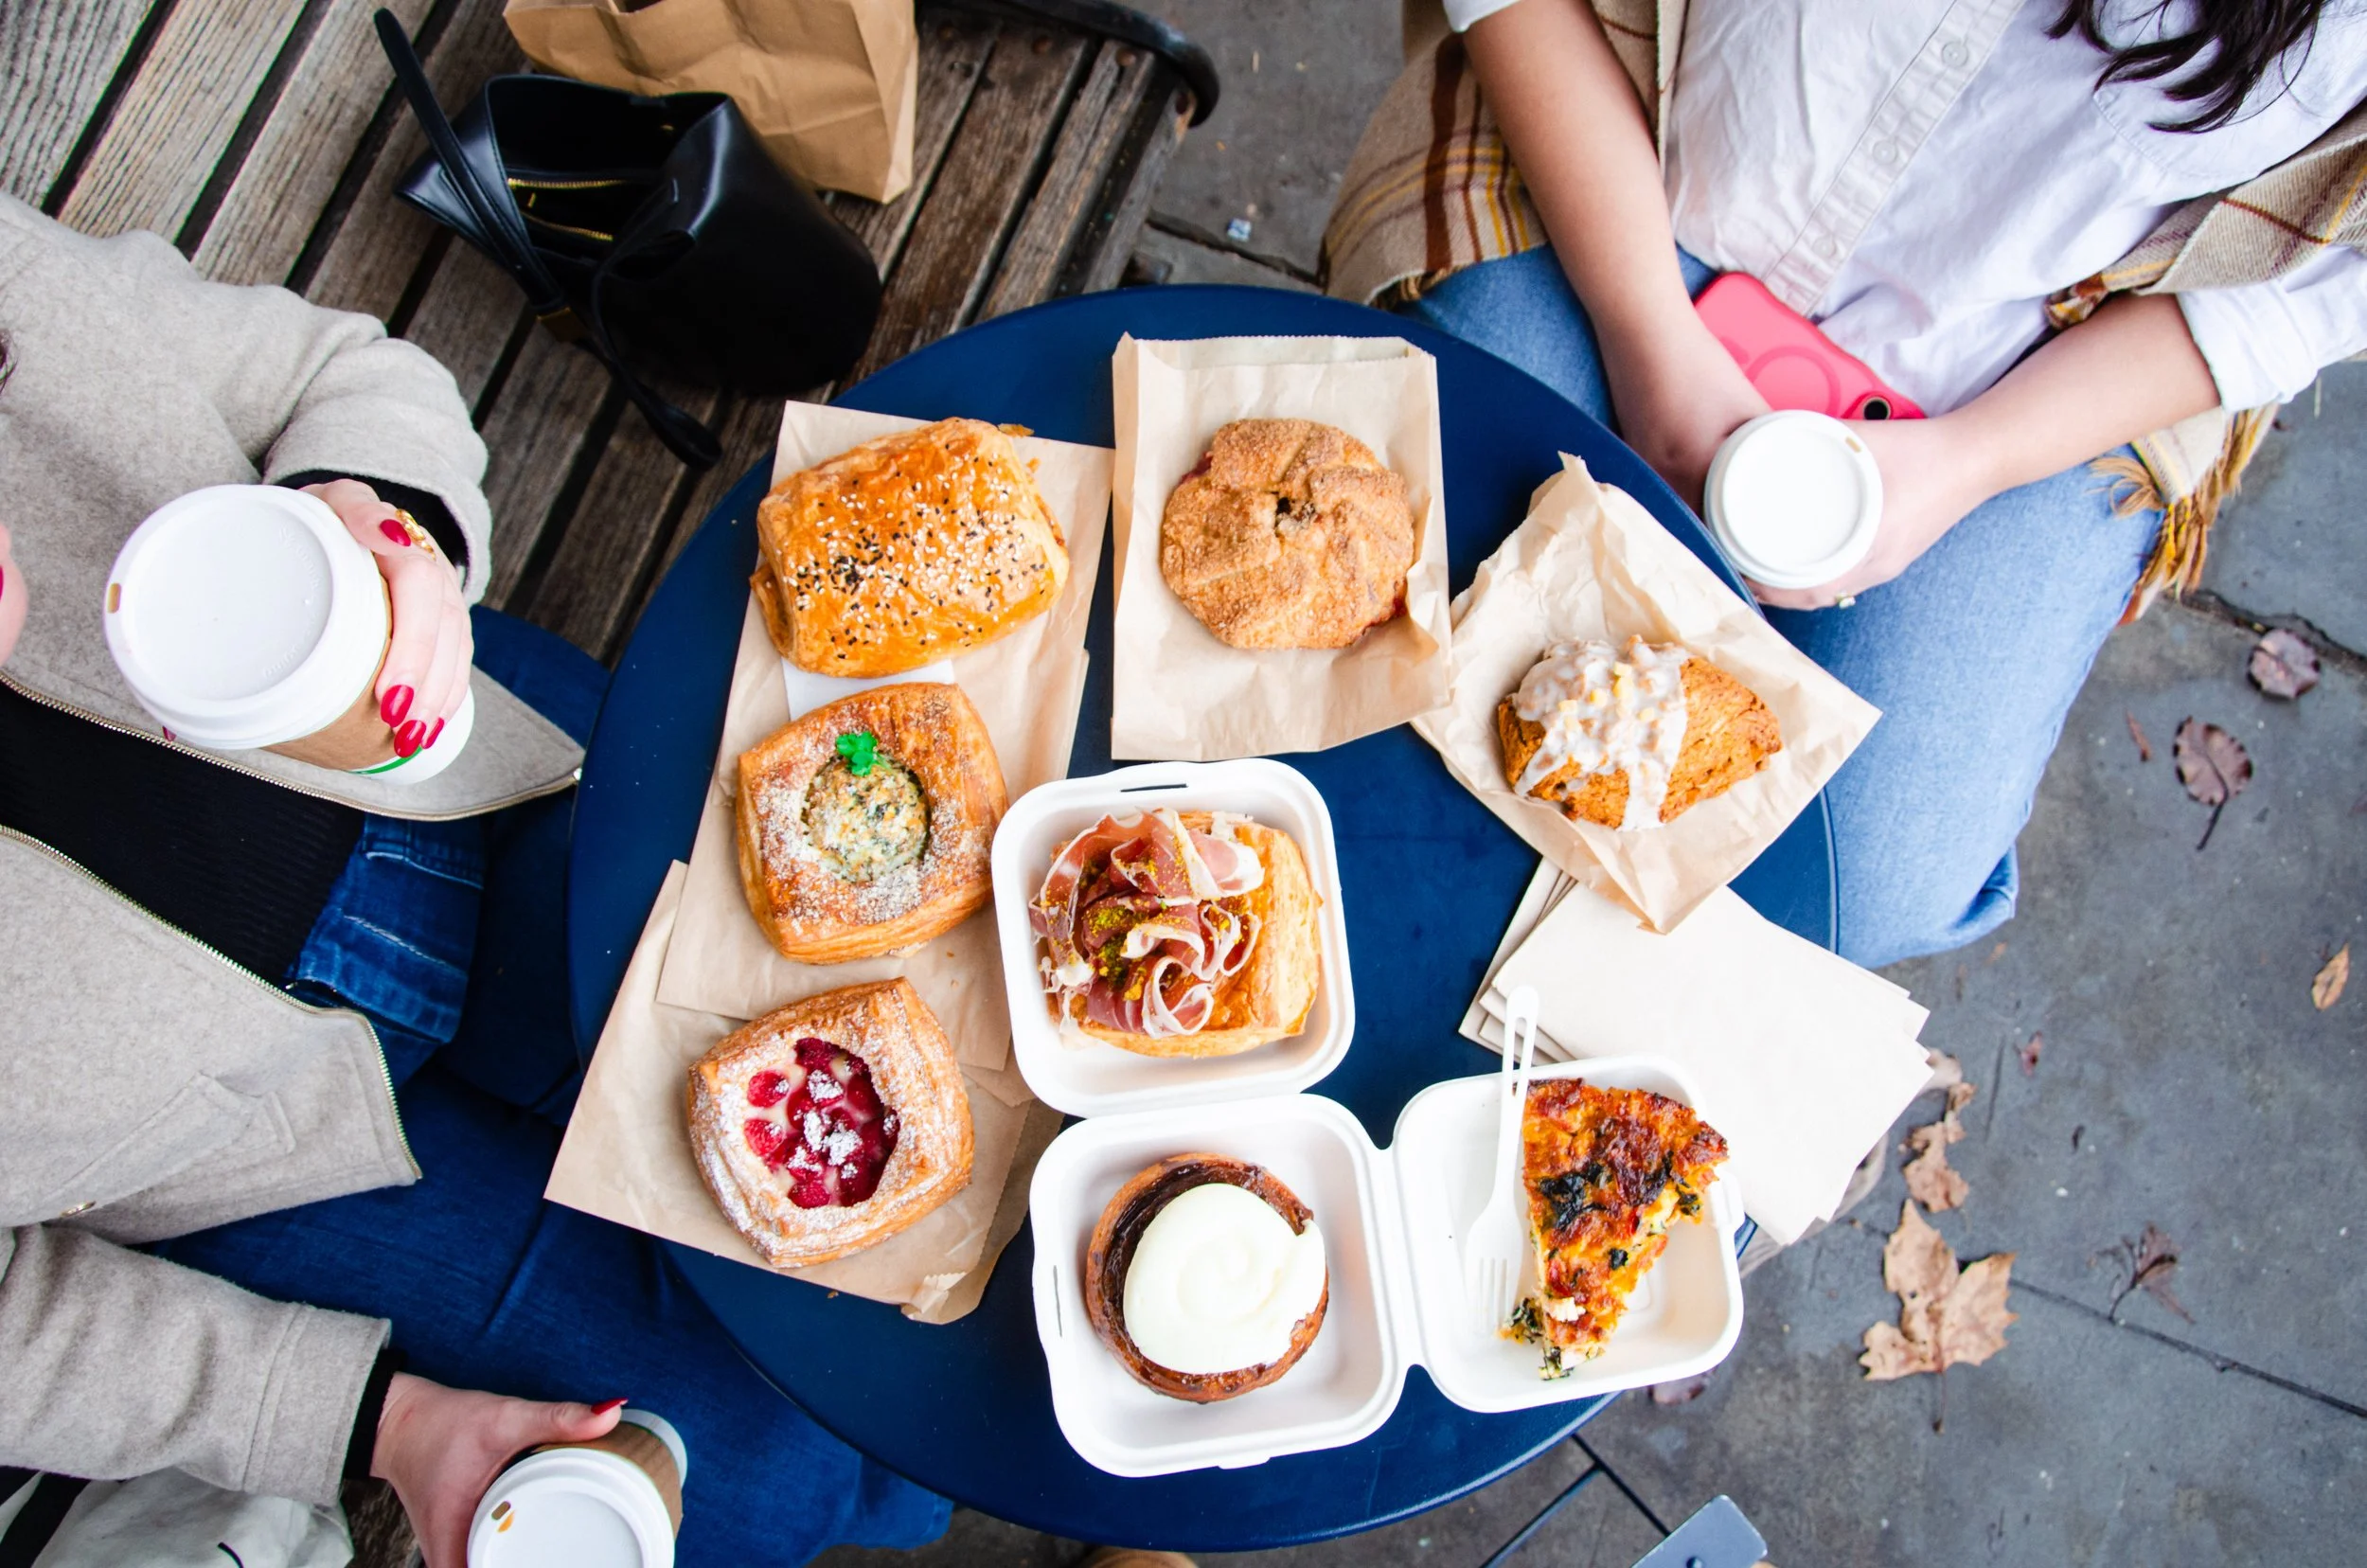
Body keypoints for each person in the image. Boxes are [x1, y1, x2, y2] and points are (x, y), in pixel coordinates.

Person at [0, 194, 947, 1565]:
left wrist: (381, 522)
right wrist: (368, 1425)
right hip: (260, 1157)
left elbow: (346, 379)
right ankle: (969, 1509)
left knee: (926, 1120)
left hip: (479, 787)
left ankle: (1045, 1485)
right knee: (775, 1484)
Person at [1328, 0, 2367, 966]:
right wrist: (1644, 327)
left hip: (2028, 359)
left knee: (1866, 880)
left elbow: (2300, 295)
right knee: (1386, 616)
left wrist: (1971, 463)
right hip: (1633, 136)